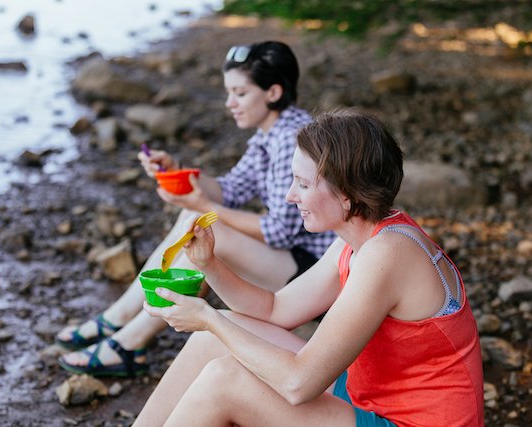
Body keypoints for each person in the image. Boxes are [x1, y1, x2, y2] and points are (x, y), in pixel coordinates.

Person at [134, 109, 484, 426]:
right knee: (209, 342)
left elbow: (298, 383)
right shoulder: (361, 236)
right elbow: (276, 309)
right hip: (373, 396)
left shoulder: (387, 254)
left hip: (409, 422)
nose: (290, 196)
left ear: (347, 194)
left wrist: (209, 316)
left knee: (223, 381)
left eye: (302, 184)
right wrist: (208, 264)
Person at [55, 41, 336, 377]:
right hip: (292, 259)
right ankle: (119, 321)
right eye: (228, 92)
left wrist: (202, 204)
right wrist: (176, 171)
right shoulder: (270, 133)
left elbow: (278, 230)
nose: (229, 103)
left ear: (273, 92)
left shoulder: (290, 137)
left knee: (205, 226)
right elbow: (230, 189)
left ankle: (128, 340)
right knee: (194, 220)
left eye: (240, 93)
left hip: (314, 273)